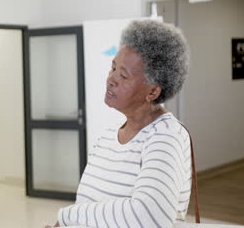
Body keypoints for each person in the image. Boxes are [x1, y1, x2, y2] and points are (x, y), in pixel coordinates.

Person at [48, 20, 192, 228]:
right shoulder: (106, 138)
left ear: (152, 92)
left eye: (123, 75)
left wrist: (68, 216)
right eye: (113, 68)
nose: (111, 79)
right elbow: (89, 208)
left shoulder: (166, 136)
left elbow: (150, 217)